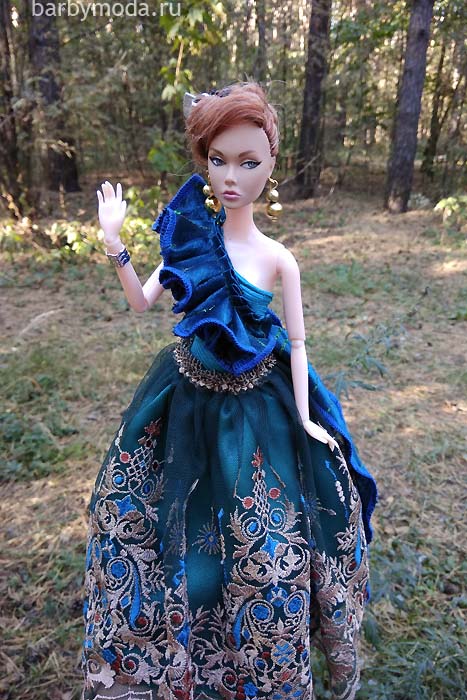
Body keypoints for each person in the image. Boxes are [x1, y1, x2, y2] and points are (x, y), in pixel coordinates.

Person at [81, 81, 377, 700]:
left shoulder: (279, 259)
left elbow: (299, 344)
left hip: (257, 410)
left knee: (265, 541)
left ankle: (254, 663)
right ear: (204, 161)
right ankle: (172, 659)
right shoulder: (192, 238)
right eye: (219, 160)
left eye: (249, 162)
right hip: (184, 399)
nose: (232, 177)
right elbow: (141, 301)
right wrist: (115, 243)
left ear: (272, 164)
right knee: (153, 525)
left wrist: (307, 416)